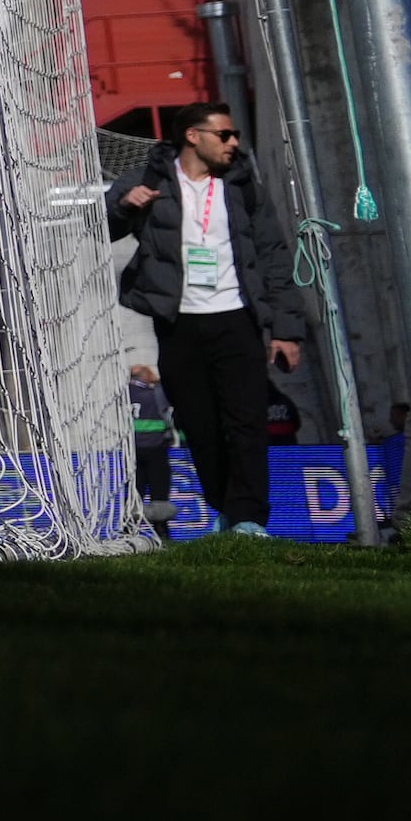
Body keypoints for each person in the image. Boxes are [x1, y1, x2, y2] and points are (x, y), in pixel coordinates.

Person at [104, 102, 310, 536]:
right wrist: (125, 205)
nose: (234, 143)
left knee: (248, 422)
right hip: (180, 325)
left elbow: (273, 255)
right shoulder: (149, 179)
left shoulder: (242, 186)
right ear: (193, 137)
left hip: (237, 319)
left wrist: (287, 330)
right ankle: (226, 510)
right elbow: (102, 225)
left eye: (235, 135)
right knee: (200, 424)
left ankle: (250, 518)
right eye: (225, 135)